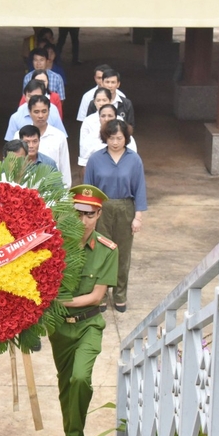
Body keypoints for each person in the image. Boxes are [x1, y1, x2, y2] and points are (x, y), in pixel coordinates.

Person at [50, 184, 118, 436]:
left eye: (90, 215)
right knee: (66, 384)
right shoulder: (54, 245)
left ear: (98, 214)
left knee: (81, 378)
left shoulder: (107, 250)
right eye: (78, 214)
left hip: (89, 325)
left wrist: (56, 302)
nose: (83, 221)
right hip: (59, 329)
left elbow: (96, 296)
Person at [84, 119, 147, 313]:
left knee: (122, 253)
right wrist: (88, 216)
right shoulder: (95, 159)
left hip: (125, 207)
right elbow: (88, 189)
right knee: (100, 252)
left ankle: (120, 293)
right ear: (105, 137)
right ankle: (100, 294)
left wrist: (138, 217)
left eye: (119, 138)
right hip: (101, 207)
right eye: (111, 138)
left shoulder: (134, 159)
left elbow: (140, 189)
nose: (115, 142)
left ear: (126, 138)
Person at [11, 95, 71, 186]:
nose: (40, 116)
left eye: (44, 111)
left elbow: (65, 167)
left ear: (49, 111)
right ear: (29, 112)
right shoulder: (18, 135)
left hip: (52, 190)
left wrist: (64, 193)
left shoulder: (59, 136)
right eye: (36, 112)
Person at [78, 94, 139, 178]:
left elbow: (133, 164)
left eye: (110, 116)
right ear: (99, 118)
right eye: (103, 116)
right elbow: (84, 167)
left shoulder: (128, 138)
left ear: (116, 117)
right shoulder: (90, 139)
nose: (106, 119)